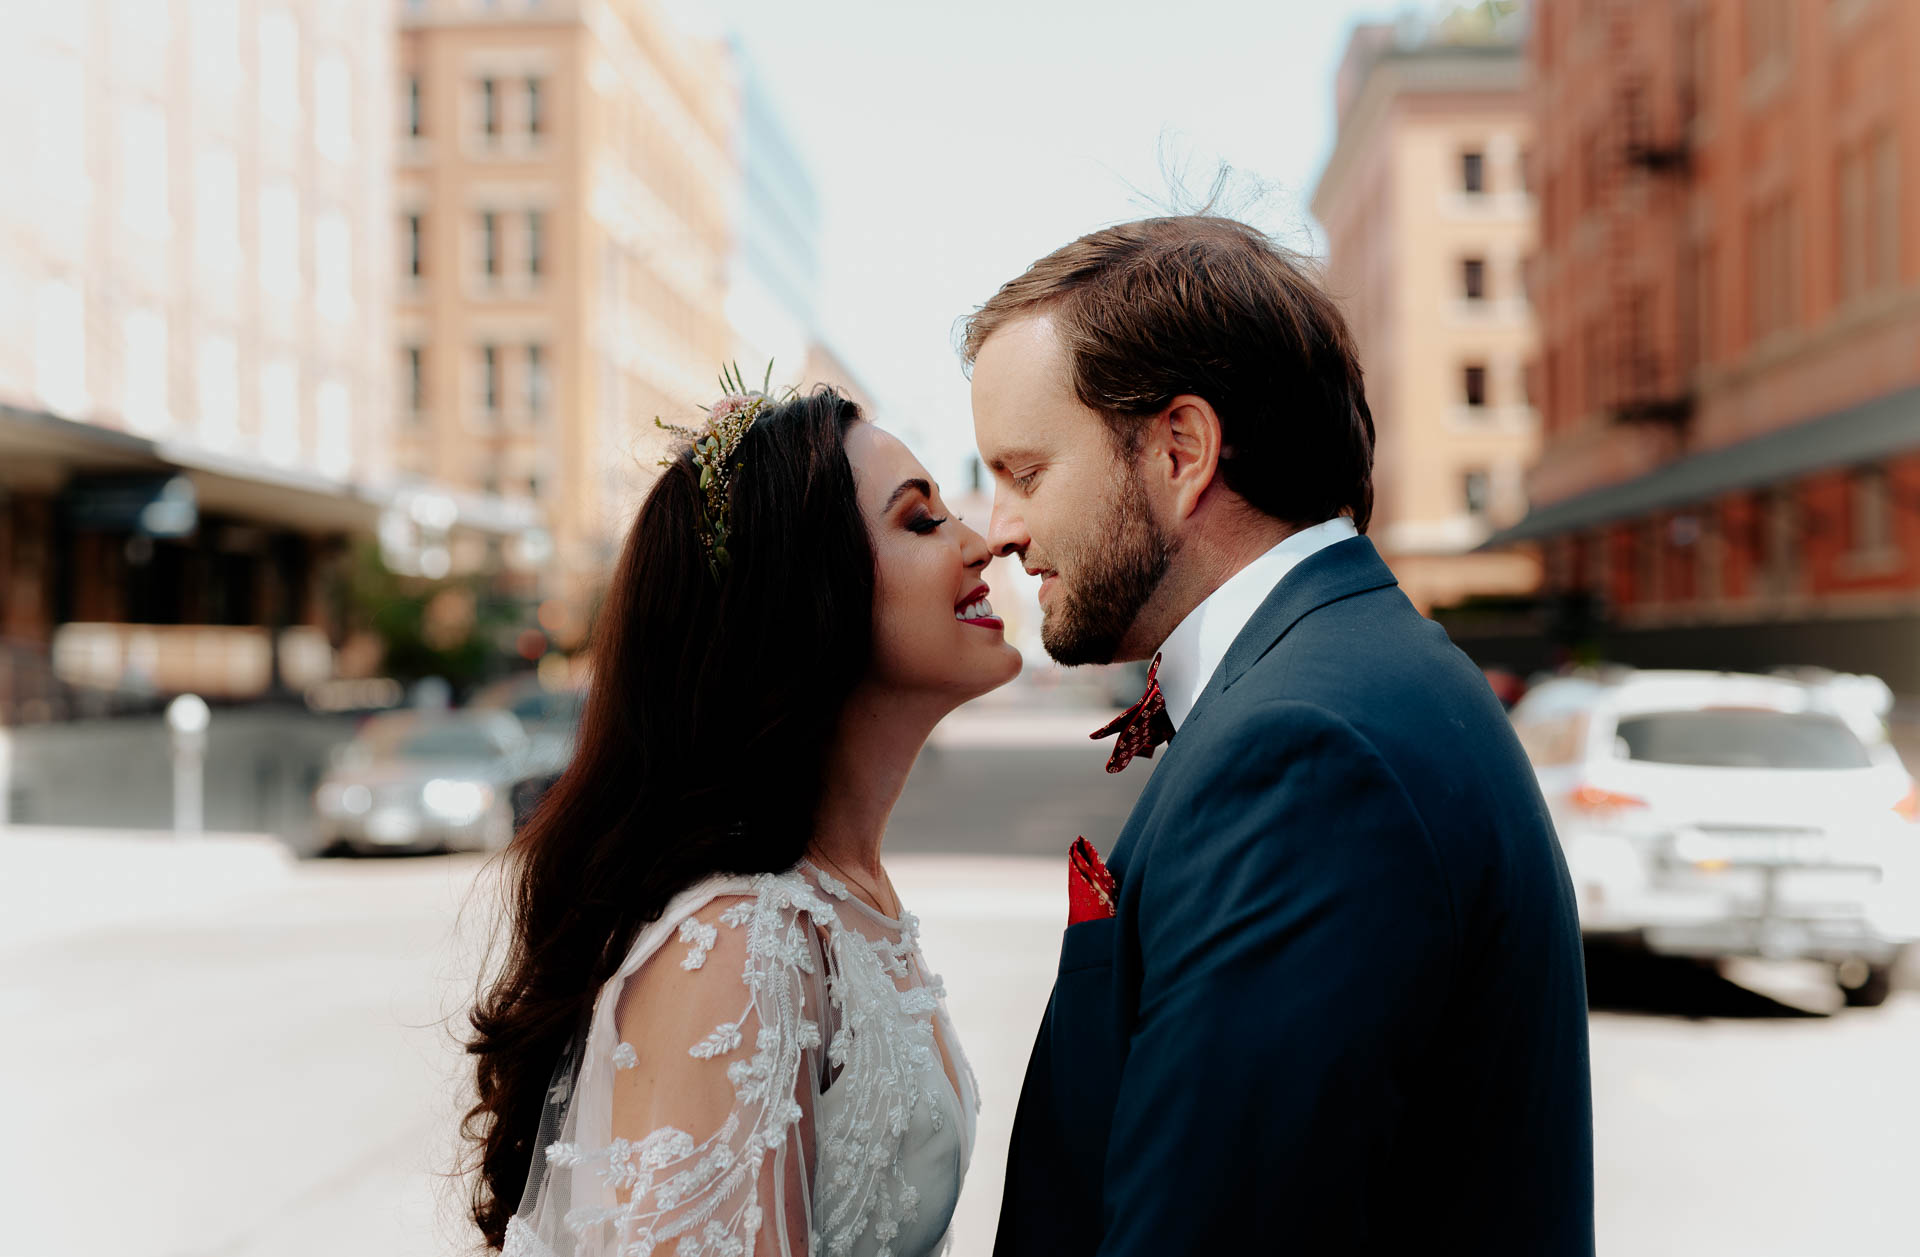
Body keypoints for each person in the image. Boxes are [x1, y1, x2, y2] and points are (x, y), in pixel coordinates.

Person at [964, 216, 1594, 1256]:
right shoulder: (1355, 674)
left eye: (1026, 472)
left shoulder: (1306, 751)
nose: (1001, 529)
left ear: (1181, 449)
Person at [462, 384, 1022, 1257]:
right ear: (808, 593)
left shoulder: (848, 897)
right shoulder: (740, 944)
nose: (982, 544)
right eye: (920, 522)